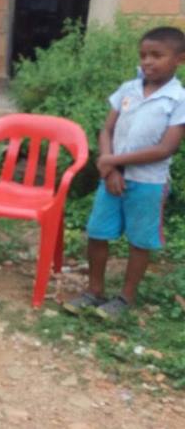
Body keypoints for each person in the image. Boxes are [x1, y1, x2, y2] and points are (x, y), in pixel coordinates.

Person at [64, 27, 185, 319]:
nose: (147, 61)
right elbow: (107, 129)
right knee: (97, 232)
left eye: (157, 55)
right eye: (143, 55)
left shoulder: (178, 99)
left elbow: (165, 148)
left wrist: (112, 160)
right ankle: (94, 291)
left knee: (139, 240)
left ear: (180, 59)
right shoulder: (128, 89)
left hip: (148, 184)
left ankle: (125, 298)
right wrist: (110, 167)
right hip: (112, 179)